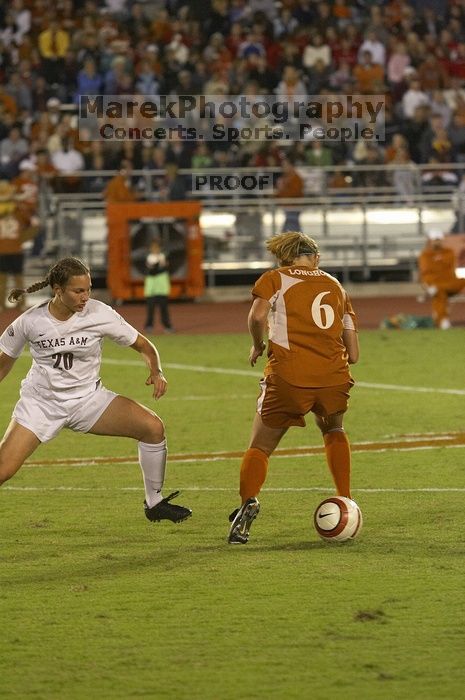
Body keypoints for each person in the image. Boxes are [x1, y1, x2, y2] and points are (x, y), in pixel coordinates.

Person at [0, 257, 191, 524]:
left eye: (88, 289)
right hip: (41, 405)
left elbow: (144, 345)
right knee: (3, 470)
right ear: (58, 290)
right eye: (78, 291)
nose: (85, 297)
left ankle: (155, 502)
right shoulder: (29, 322)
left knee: (153, 428)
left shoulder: (99, 313)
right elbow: (2, 365)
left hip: (89, 400)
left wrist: (156, 370)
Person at [228, 231, 359, 544]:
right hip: (333, 378)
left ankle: (247, 503)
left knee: (261, 445)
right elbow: (353, 353)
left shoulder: (274, 278)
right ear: (314, 258)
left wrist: (258, 345)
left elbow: (257, 315)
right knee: (333, 430)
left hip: (289, 377)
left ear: (283, 258)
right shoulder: (335, 285)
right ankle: (346, 501)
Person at [418, 230, 465, 329]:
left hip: (451, 283)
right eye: (435, 240)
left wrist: (437, 260)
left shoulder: (449, 252)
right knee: (439, 292)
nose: (437, 242)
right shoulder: (425, 255)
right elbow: (425, 271)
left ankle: (441, 318)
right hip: (436, 285)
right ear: (430, 241)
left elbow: (446, 266)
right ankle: (442, 320)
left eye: (438, 240)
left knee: (437, 289)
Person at [144, 240, 174, 334]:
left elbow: (165, 268)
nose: (155, 249)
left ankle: (167, 326)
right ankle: (149, 326)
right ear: (150, 249)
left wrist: (161, 265)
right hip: (151, 289)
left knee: (164, 309)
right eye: (153, 247)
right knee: (150, 310)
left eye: (157, 247)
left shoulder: (162, 257)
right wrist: (160, 265)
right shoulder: (149, 258)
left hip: (162, 288)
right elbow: (152, 271)